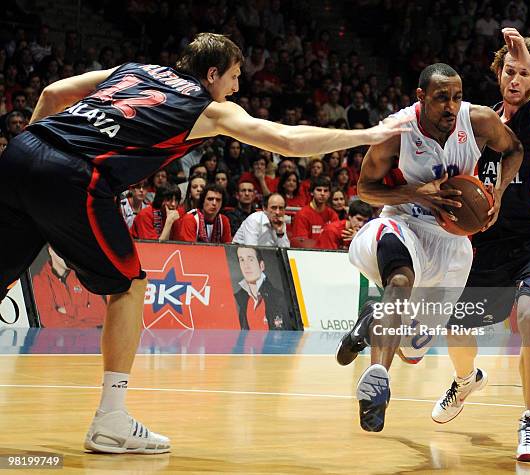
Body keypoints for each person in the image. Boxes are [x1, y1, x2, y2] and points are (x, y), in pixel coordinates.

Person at [0, 33, 410, 454]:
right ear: (211, 74)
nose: (236, 88)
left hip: (21, 153)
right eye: (233, 77)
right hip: (75, 176)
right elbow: (287, 141)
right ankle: (110, 419)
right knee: (128, 285)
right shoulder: (207, 109)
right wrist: (367, 134)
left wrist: (34, 158)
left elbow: (52, 93)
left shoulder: (137, 69)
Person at [334, 63, 523, 434]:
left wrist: (497, 193)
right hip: (403, 223)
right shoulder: (395, 132)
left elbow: (513, 149)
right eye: (441, 98)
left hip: (453, 247)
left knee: (412, 351)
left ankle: (374, 319)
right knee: (400, 281)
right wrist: (413, 192)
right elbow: (364, 189)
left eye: (456, 97)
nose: (451, 106)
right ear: (421, 98)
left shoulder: (479, 121)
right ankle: (376, 384)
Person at [437, 30, 530, 463]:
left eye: (524, 73)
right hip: (492, 241)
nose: (516, 79)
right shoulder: (484, 122)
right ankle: (466, 380)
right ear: (498, 74)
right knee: (455, 326)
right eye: (510, 71)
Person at [233, 247, 291, 330]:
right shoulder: (242, 301)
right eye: (242, 260)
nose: (246, 266)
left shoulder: (279, 299)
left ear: (261, 265)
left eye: (251, 259)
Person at [291, 176, 339, 247]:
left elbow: (337, 239)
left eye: (325, 191)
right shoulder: (302, 215)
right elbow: (301, 243)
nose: (322, 193)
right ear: (311, 193)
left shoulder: (333, 215)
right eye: (319, 190)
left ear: (329, 194)